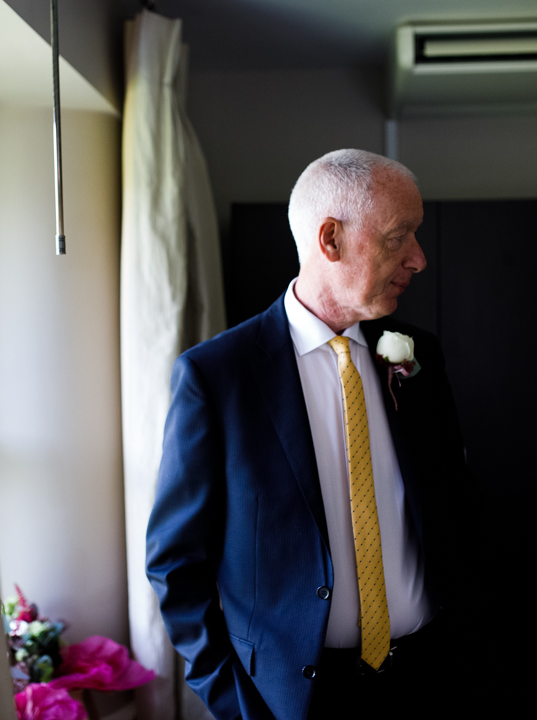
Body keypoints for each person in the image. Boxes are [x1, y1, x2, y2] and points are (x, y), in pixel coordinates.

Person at [146, 149, 478, 720]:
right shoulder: (216, 378)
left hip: (430, 676)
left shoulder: (418, 356)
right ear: (331, 239)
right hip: (297, 700)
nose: (419, 258)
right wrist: (235, 703)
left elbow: (456, 505)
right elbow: (176, 566)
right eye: (399, 236)